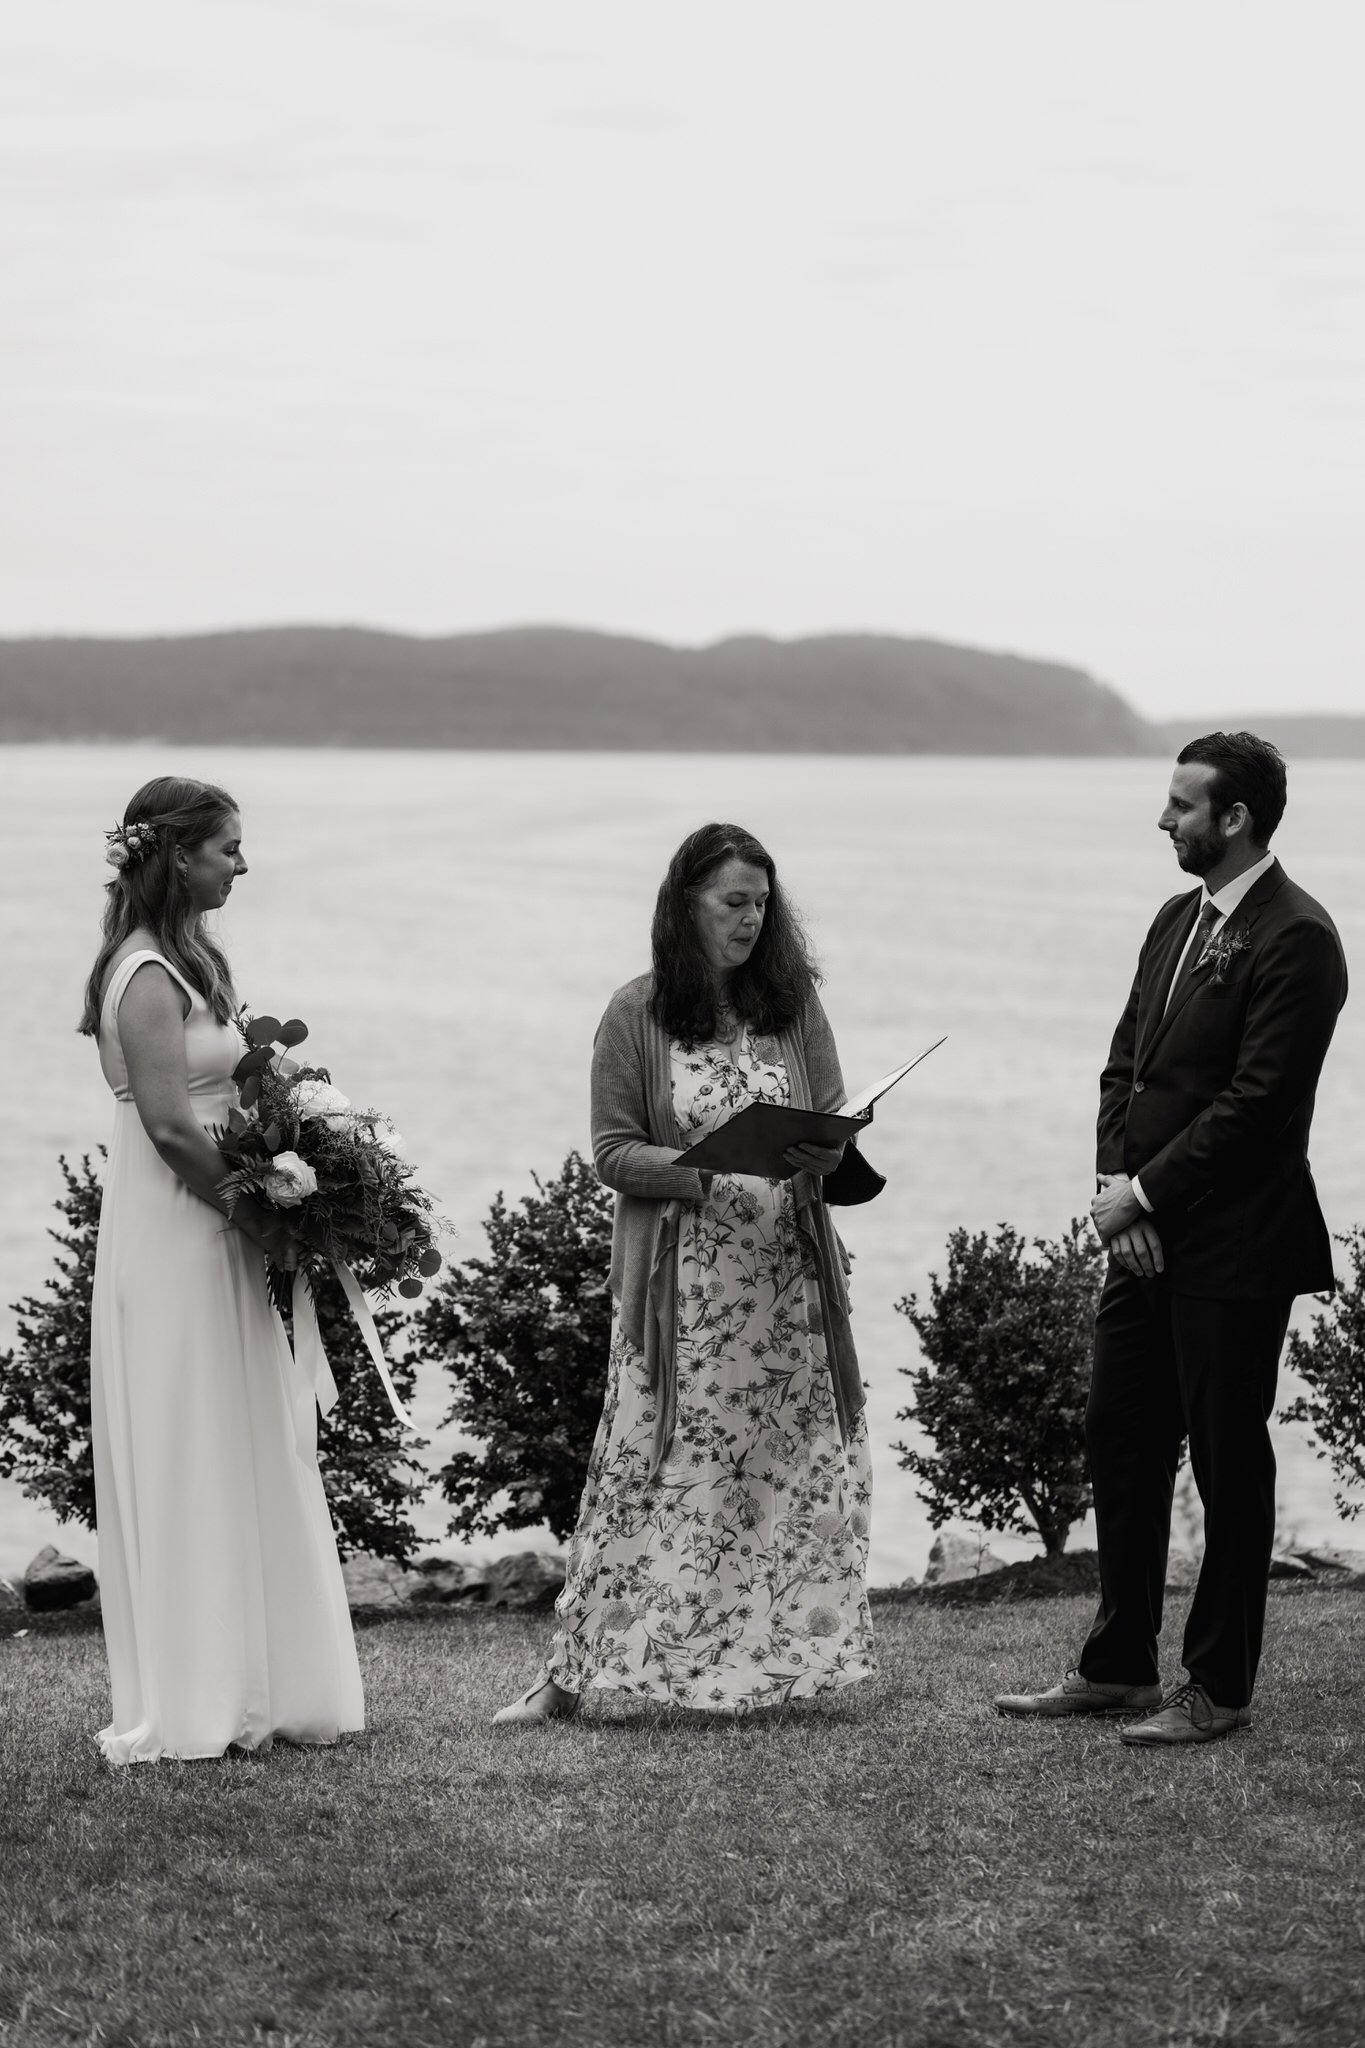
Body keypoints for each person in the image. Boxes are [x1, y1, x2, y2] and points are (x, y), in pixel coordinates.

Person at [997, 733, 1347, 1746]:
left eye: (1181, 805)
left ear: (1233, 817)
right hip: (1144, 1236)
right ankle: (1115, 1664)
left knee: (1229, 1458)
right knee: (1121, 1431)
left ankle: (1218, 1686)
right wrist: (1122, 1191)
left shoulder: (1299, 938)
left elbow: (1258, 1104)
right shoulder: (1174, 918)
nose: (1165, 819)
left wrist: (1145, 1192)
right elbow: (1125, 1067)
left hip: (1237, 1243)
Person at [494, 822, 878, 1723]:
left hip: (787, 1284)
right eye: (730, 903)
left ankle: (764, 1667)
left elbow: (828, 1117)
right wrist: (705, 1168)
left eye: (759, 905)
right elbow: (612, 1152)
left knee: (785, 1476)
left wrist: (827, 1152)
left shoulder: (793, 1005)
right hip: (687, 1291)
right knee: (648, 1471)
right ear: (685, 906)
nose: (749, 921)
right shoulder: (636, 1011)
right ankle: (570, 1679)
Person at [81, 776, 364, 1763]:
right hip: (174, 1231)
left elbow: (238, 1090)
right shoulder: (145, 970)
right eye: (228, 847)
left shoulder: (203, 959)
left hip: (223, 1225)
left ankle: (268, 1680)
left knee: (244, 1436)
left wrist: (301, 1141)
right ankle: (198, 1698)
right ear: (178, 854)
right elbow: (165, 1123)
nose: (242, 862)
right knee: (188, 1442)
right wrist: (258, 1202)